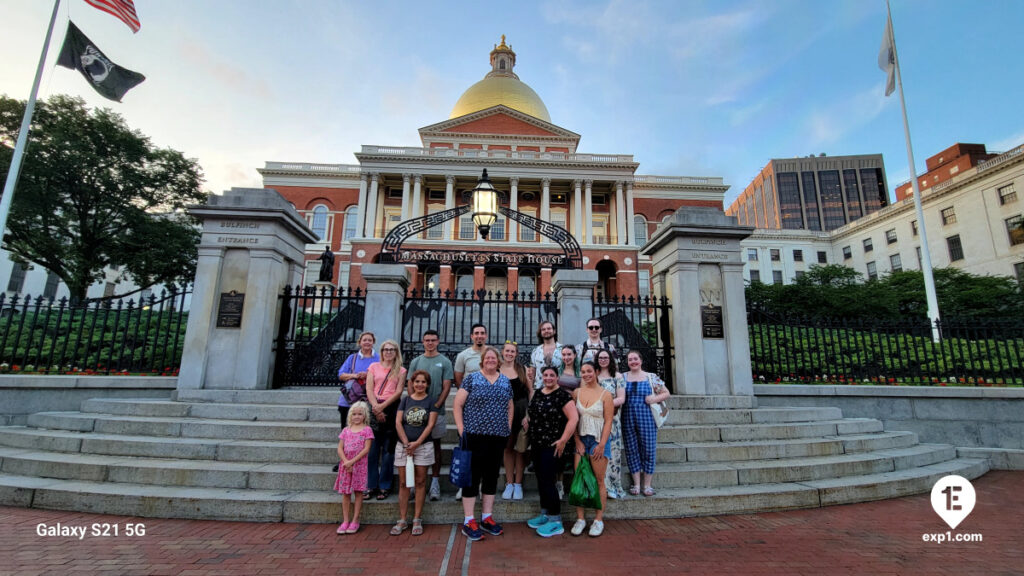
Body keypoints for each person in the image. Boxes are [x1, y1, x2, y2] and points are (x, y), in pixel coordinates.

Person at [452, 346, 513, 541]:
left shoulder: (505, 381)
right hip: (474, 436)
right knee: (472, 477)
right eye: (487, 358)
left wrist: (508, 427)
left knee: (491, 476)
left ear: (498, 361)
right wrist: (461, 429)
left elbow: (510, 406)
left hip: (497, 437)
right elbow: (457, 405)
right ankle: (469, 519)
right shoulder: (472, 378)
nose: (490, 361)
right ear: (482, 361)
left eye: (493, 358)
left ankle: (487, 517)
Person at [524, 365, 578, 537]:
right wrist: (527, 418)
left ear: (557, 378)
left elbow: (573, 418)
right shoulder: (539, 392)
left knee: (548, 480)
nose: (548, 378)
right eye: (545, 375)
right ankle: (545, 513)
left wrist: (563, 439)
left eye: (551, 375)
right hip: (537, 444)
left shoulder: (563, 396)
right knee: (541, 479)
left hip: (553, 445)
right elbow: (533, 410)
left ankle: (556, 520)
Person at [407, 329, 454, 501]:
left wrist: (436, 406)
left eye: (433, 340)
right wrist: (413, 404)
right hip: (416, 411)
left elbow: (446, 386)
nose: (430, 343)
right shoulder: (416, 361)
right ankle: (414, 483)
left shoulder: (445, 361)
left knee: (435, 446)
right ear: (423, 341)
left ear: (438, 341)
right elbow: (410, 384)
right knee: (415, 446)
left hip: (436, 410)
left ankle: (434, 482)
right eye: (427, 340)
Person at [391, 370, 438, 537]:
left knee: (420, 481)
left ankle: (417, 518)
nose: (420, 385)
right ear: (411, 383)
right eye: (417, 382)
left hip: (423, 446)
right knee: (404, 483)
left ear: (427, 384)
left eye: (423, 382)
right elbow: (398, 422)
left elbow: (430, 425)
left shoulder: (431, 402)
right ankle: (402, 519)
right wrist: (406, 443)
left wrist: (417, 443)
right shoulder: (405, 400)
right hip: (403, 446)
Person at [570, 361, 614, 537]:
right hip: (581, 439)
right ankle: (580, 518)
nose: (586, 374)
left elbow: (608, 420)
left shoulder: (606, 395)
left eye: (589, 371)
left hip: (597, 440)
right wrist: (577, 440)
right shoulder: (576, 392)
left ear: (596, 372)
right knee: (579, 478)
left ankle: (598, 519)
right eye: (583, 372)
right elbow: (573, 418)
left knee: (599, 480)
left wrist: (602, 444)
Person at [621, 350, 670, 497]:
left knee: (648, 450)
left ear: (641, 361)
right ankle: (636, 484)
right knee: (631, 449)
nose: (633, 362)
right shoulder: (623, 377)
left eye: (635, 359)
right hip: (628, 418)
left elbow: (666, 393)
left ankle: (647, 485)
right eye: (630, 359)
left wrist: (654, 399)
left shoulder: (651, 377)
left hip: (647, 418)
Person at [365, 339, 407, 501]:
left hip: (391, 408)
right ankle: (370, 485)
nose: (388, 352)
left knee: (389, 451)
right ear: (381, 351)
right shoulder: (373, 367)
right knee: (372, 451)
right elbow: (369, 388)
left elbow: (398, 392)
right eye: (385, 349)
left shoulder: (401, 370)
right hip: (373, 406)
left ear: (396, 352)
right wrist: (376, 407)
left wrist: (382, 408)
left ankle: (385, 485)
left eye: (392, 349)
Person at [335, 332, 378, 471]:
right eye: (364, 340)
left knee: (365, 431)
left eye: (369, 340)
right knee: (347, 431)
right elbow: (341, 374)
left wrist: (368, 375)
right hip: (349, 401)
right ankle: (345, 460)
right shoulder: (352, 358)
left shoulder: (378, 358)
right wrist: (355, 375)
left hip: (367, 399)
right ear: (360, 342)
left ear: (373, 342)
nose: (367, 342)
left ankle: (363, 459)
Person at [335, 401, 374, 535]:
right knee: (346, 493)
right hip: (345, 466)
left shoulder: (367, 430)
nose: (357, 417)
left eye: (360, 414)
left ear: (365, 416)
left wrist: (352, 461)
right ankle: (345, 520)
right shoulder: (346, 430)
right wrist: (346, 462)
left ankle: (355, 519)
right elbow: (340, 448)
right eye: (354, 414)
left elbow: (366, 449)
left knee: (358, 492)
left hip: (359, 466)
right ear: (350, 415)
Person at [499, 341, 530, 500]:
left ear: (516, 353)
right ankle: (509, 483)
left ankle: (518, 484)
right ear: (503, 352)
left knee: (521, 448)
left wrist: (528, 414)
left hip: (521, 410)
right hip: (503, 412)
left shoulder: (522, 369)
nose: (510, 354)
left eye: (513, 351)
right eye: (507, 351)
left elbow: (530, 392)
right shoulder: (497, 370)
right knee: (508, 448)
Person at [595, 349, 626, 499]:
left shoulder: (617, 377)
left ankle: (613, 486)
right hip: (595, 420)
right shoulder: (594, 376)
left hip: (612, 419)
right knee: (598, 452)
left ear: (611, 359)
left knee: (613, 453)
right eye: (600, 358)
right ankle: (600, 486)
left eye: (605, 357)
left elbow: (621, 398)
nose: (603, 360)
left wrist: (605, 404)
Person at [528, 321, 562, 390]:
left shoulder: (562, 350)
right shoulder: (536, 351)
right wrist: (531, 391)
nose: (546, 331)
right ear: (540, 333)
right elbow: (532, 372)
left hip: (558, 390)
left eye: (549, 328)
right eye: (543, 329)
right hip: (539, 390)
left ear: (554, 331)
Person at [454, 323, 488, 388]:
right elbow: (458, 379)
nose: (479, 336)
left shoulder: (494, 354)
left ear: (486, 336)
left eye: (482, 333)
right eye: (476, 333)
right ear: (472, 336)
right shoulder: (462, 355)